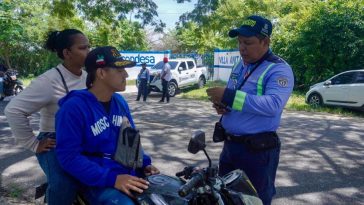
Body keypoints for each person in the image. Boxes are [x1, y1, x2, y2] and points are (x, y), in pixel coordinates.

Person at [206, 15, 294, 205]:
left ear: (265, 41)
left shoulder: (279, 69)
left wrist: (228, 96)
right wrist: (223, 105)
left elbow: (273, 105)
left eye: (248, 42)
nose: (241, 48)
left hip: (257, 151)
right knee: (225, 197)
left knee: (255, 200)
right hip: (230, 146)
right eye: (239, 42)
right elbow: (238, 97)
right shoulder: (240, 65)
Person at [55, 46, 160, 205]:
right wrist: (113, 179)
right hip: (97, 182)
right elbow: (69, 157)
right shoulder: (73, 108)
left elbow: (130, 138)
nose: (125, 74)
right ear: (101, 73)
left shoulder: (120, 101)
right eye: (119, 70)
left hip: (128, 174)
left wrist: (145, 164)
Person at [4, 29, 90, 205]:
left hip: (83, 138)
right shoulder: (49, 80)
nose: (89, 51)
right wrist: (33, 144)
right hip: (54, 139)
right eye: (83, 48)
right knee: (63, 184)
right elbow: (13, 110)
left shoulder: (88, 76)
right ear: (67, 53)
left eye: (89, 47)